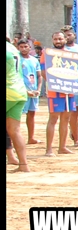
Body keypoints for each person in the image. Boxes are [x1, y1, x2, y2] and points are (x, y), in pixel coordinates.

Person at [41, 31, 76, 155]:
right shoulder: (47, 53)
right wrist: (56, 84)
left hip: (69, 92)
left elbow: (77, 70)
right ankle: (49, 149)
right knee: (53, 119)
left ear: (65, 39)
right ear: (52, 40)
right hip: (54, 92)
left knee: (66, 119)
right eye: (55, 39)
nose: (58, 41)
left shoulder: (72, 55)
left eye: (60, 39)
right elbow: (43, 72)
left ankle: (62, 147)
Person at [6, 37, 30, 172]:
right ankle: (23, 165)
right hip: (19, 91)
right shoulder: (12, 48)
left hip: (8, 91)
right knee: (15, 131)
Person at [17, 38, 41, 146]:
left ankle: (31, 138)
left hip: (33, 91)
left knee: (31, 114)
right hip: (20, 92)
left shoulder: (34, 60)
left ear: (30, 47)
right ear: (18, 48)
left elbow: (39, 76)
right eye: (21, 47)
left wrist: (38, 89)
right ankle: (13, 139)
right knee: (16, 116)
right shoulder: (17, 60)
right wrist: (25, 91)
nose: (23, 49)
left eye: (25, 46)